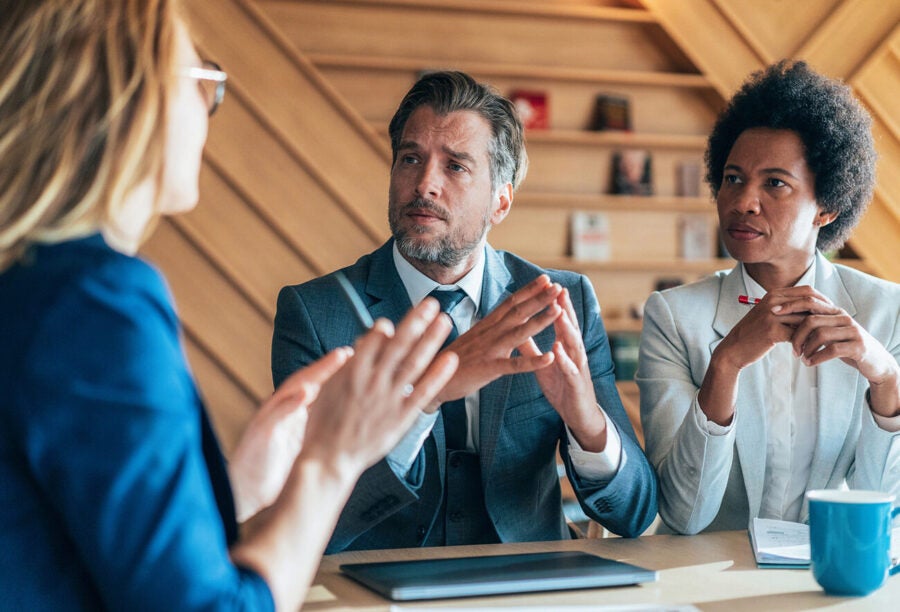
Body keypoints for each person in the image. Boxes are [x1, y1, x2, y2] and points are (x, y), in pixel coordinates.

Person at [0, 1, 459, 610]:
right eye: (202, 81)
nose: (211, 109)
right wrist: (330, 461)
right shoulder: (97, 304)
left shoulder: (32, 286)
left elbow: (62, 544)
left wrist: (231, 491)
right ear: (132, 96)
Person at [272, 70, 658, 552]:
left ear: (500, 202)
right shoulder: (316, 313)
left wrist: (588, 423)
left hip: (531, 591)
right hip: (373, 588)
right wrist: (427, 397)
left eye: (455, 166)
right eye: (410, 158)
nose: (425, 184)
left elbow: (635, 513)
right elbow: (306, 519)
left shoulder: (561, 302)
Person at [638, 60, 900, 535]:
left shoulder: (888, 313)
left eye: (774, 183)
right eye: (733, 178)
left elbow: (884, 506)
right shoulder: (674, 317)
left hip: (830, 574)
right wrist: (726, 363)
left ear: (827, 207)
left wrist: (886, 379)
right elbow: (683, 513)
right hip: (710, 585)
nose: (743, 201)